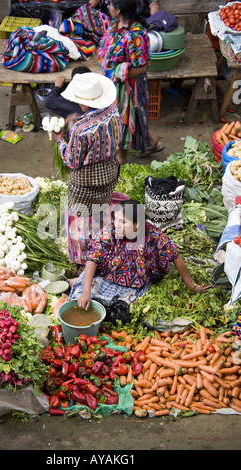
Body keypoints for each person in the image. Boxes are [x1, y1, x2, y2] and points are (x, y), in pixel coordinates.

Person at [69, 199, 212, 310]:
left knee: (120, 309)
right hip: (108, 276)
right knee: (80, 298)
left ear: (137, 225)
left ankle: (74, 281)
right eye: (115, 219)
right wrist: (86, 293)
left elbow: (175, 255)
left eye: (123, 222)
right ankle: (75, 282)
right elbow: (92, 260)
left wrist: (191, 285)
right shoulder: (109, 232)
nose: (116, 224)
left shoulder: (152, 234)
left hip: (135, 283)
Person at [51, 72, 122, 266]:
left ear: (82, 102)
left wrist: (59, 141)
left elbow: (72, 161)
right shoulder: (113, 112)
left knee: (79, 222)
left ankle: (84, 262)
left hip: (86, 183)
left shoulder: (81, 129)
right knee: (100, 213)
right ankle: (102, 252)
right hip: (109, 173)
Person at [98, 0, 163, 165]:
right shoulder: (114, 25)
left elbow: (142, 66)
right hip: (114, 83)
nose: (108, 7)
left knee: (124, 122)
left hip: (129, 88)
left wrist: (117, 72)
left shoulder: (136, 35)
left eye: (111, 4)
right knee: (123, 120)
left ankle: (120, 160)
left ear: (118, 10)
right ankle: (151, 144)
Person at [89, 0, 159, 18]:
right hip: (109, 21)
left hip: (133, 19)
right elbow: (90, 5)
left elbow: (153, 4)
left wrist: (156, 19)